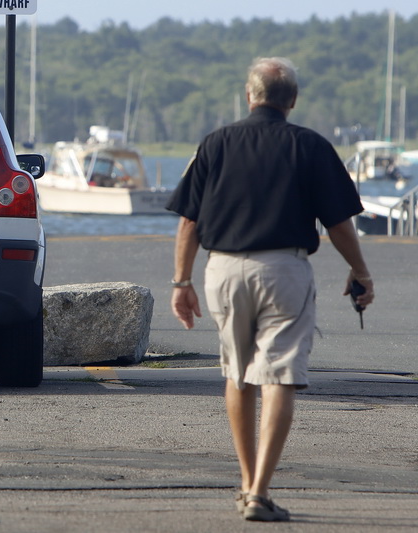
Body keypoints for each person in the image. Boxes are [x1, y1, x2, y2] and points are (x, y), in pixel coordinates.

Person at [165, 57, 375, 522]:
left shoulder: (214, 144)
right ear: (292, 100)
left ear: (249, 95)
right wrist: (360, 270)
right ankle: (259, 490)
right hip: (285, 268)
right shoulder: (311, 146)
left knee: (237, 374)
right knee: (279, 375)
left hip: (223, 270)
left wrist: (181, 281)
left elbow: (189, 221)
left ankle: (245, 483)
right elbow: (339, 223)